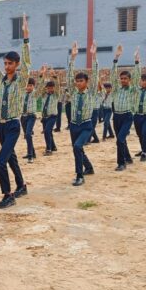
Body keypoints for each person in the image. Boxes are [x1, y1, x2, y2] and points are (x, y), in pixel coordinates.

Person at [0, 13, 29, 209]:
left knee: (0, 161)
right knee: (10, 157)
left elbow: (28, 62)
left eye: (10, 63)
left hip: (12, 125)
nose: (7, 66)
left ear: (16, 65)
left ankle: (8, 194)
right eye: (6, 63)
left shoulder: (20, 82)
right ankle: (21, 185)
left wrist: (26, 38)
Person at [66, 41, 97, 186]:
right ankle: (89, 167)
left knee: (78, 147)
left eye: (81, 81)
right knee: (76, 148)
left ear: (86, 82)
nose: (78, 83)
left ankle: (79, 176)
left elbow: (96, 75)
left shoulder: (90, 93)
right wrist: (72, 58)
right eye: (77, 81)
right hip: (74, 125)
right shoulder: (73, 92)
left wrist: (94, 56)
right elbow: (67, 77)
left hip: (86, 125)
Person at [109, 45, 134, 171]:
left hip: (127, 117)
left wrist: (137, 62)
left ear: (129, 79)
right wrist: (116, 58)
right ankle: (128, 157)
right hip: (116, 116)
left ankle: (121, 163)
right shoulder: (116, 89)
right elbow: (112, 75)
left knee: (119, 139)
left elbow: (139, 74)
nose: (123, 80)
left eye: (125, 78)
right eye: (122, 78)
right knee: (121, 139)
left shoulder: (133, 90)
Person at [130, 52, 146, 161]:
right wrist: (136, 62)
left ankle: (144, 152)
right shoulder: (136, 89)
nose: (144, 82)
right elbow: (134, 78)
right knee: (140, 134)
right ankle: (143, 149)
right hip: (137, 115)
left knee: (145, 132)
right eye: (143, 80)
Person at [39, 66, 60, 157]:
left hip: (52, 116)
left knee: (47, 131)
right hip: (45, 117)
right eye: (48, 88)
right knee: (48, 132)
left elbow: (58, 86)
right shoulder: (44, 95)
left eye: (52, 88)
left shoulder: (56, 95)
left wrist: (54, 77)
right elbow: (41, 87)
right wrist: (42, 75)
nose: (50, 89)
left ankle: (48, 149)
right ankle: (53, 146)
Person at [20, 75, 38, 163]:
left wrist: (42, 75)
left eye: (31, 85)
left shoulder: (34, 94)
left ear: (33, 86)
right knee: (27, 136)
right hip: (23, 117)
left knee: (28, 134)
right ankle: (32, 152)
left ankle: (30, 155)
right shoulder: (23, 93)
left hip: (31, 116)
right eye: (27, 85)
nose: (29, 87)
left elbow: (41, 86)